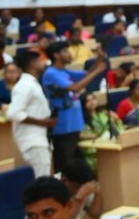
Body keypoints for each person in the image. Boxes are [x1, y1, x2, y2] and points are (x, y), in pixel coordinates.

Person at [43, 43, 109, 172]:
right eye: (65, 51)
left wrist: (99, 57)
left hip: (75, 126)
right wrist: (97, 71)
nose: (69, 54)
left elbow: (87, 74)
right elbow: (76, 87)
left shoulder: (65, 71)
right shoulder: (51, 73)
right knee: (65, 170)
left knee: (80, 170)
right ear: (56, 55)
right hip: (63, 128)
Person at [6, 50, 57, 177]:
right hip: (33, 140)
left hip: (39, 137)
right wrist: (44, 123)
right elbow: (13, 113)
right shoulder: (25, 85)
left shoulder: (31, 83)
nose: (44, 63)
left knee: (43, 177)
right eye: (40, 60)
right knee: (41, 179)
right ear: (33, 64)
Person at [79, 91, 122, 170]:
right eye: (88, 101)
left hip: (111, 146)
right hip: (95, 152)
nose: (92, 102)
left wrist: (116, 119)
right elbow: (86, 136)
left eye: (93, 99)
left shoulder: (104, 114)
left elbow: (119, 129)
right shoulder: (81, 121)